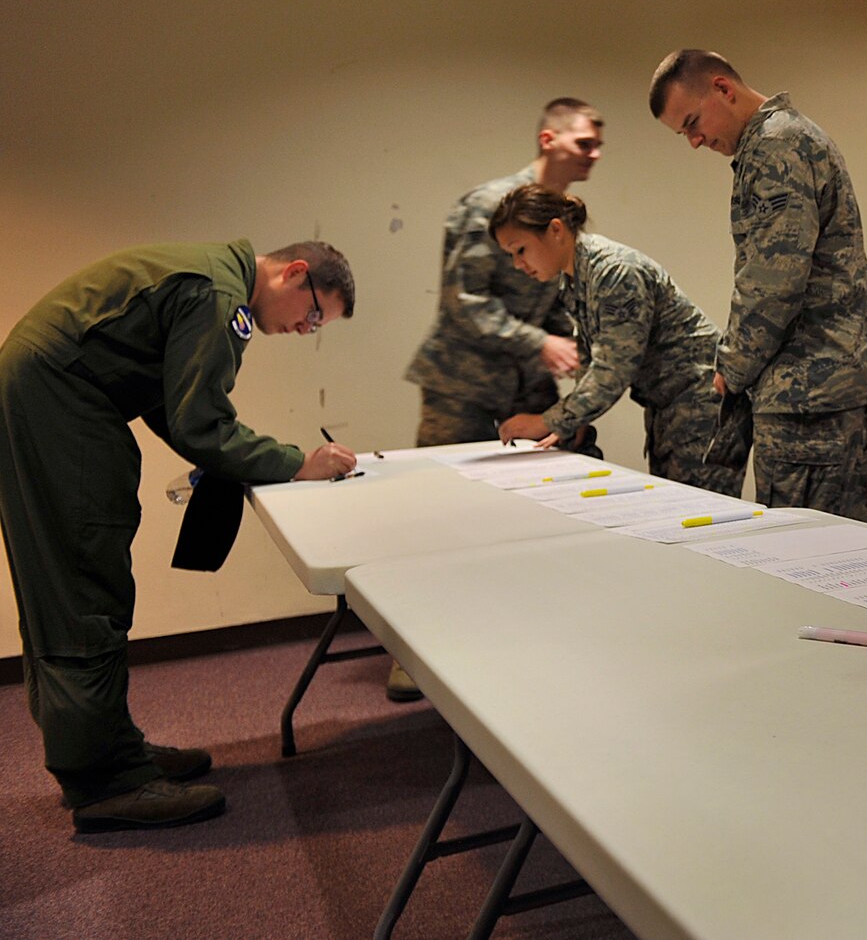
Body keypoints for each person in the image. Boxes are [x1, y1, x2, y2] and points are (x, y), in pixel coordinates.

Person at [0, 240, 357, 832]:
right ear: (295, 273)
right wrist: (296, 461)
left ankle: (112, 749)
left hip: (48, 393)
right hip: (59, 400)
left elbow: (174, 404)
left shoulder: (214, 275)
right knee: (84, 584)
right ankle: (103, 783)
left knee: (67, 579)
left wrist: (247, 458)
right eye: (315, 314)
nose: (306, 329)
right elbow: (201, 423)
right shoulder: (221, 297)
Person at [396, 97, 602, 700]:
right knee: (439, 519)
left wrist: (577, 343)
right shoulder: (492, 206)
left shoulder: (559, 215)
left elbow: (559, 291)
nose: (595, 153)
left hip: (526, 387)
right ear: (548, 139)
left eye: (598, 142)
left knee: (530, 517)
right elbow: (465, 302)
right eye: (584, 142)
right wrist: (541, 343)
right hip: (464, 383)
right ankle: (412, 653)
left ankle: (511, 640)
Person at [648, 49, 867, 520]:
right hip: (830, 379)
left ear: (723, 88)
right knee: (844, 549)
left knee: (807, 555)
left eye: (693, 122)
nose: (695, 141)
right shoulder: (787, 137)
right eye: (684, 134)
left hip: (809, 390)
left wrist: (732, 366)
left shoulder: (775, 146)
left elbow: (774, 278)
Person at [490, 185, 744, 495]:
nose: (518, 264)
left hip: (702, 407)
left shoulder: (614, 272)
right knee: (673, 515)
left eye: (520, 250)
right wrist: (572, 421)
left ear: (555, 230)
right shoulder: (575, 279)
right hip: (673, 408)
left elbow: (614, 368)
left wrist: (547, 420)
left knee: (698, 520)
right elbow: (592, 360)